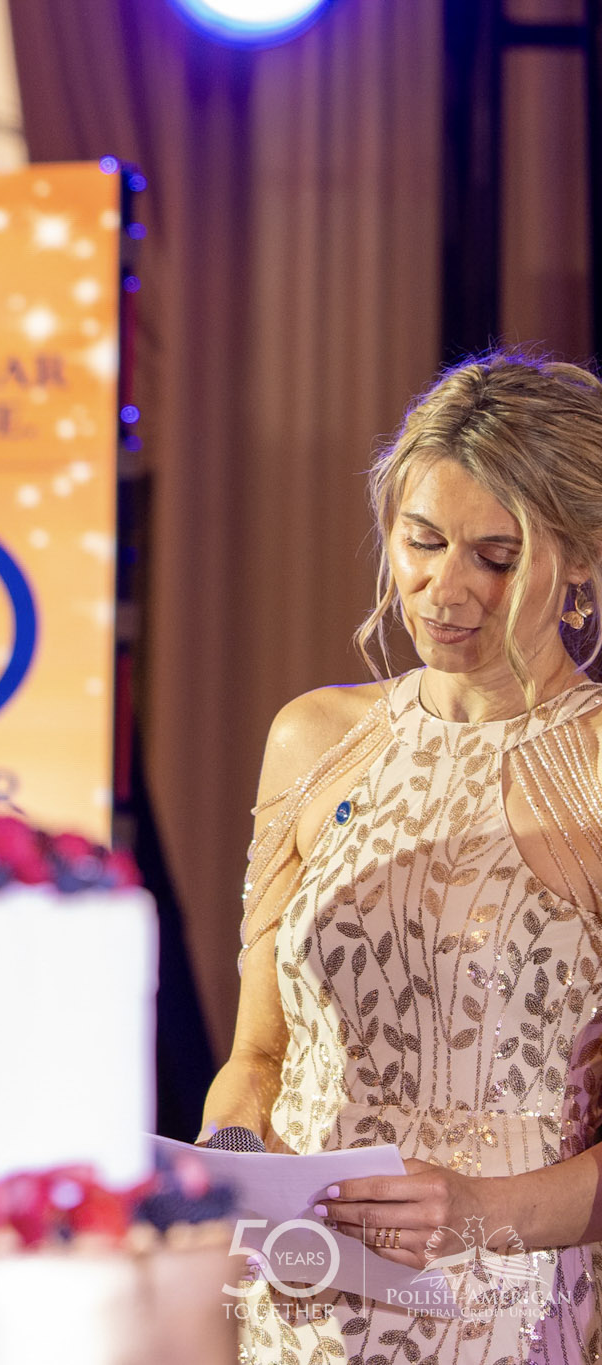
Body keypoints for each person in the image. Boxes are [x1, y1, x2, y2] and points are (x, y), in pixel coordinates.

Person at [202, 353, 602, 1362]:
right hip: (298, 1309)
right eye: (420, 540)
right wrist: (233, 1159)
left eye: (496, 557)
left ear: (582, 559)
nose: (443, 588)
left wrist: (478, 1209)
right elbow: (258, 1055)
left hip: (508, 1314)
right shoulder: (312, 739)